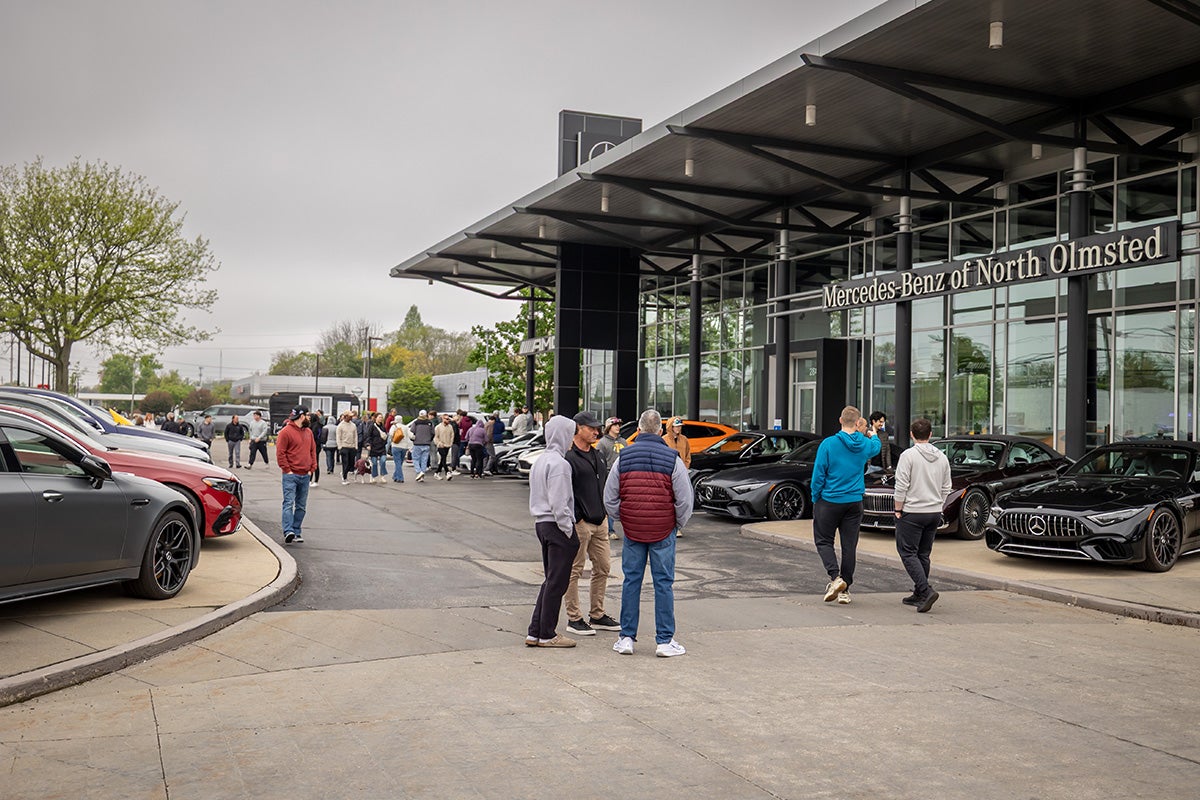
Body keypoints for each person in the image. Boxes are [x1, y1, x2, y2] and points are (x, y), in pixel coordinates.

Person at [603, 408, 693, 658]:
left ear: (639, 429)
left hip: (633, 530)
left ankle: (626, 638)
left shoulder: (624, 456)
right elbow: (685, 499)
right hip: (663, 529)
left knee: (631, 581)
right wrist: (677, 523)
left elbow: (609, 496)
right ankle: (664, 641)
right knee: (663, 583)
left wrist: (623, 517)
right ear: (661, 430)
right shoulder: (672, 458)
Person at [810, 405, 881, 605]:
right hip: (854, 501)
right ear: (858, 423)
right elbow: (876, 446)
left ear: (840, 421)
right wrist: (872, 433)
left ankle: (836, 578)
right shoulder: (865, 444)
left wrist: (816, 497)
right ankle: (845, 590)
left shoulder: (828, 444)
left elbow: (818, 475)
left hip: (830, 500)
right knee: (849, 546)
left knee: (823, 541)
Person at [525, 414, 581, 648]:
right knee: (557, 582)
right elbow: (560, 502)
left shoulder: (540, 460)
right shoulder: (560, 464)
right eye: (570, 434)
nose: (571, 439)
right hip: (557, 525)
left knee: (550, 580)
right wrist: (569, 529)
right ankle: (547, 634)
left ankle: (536, 631)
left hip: (542, 523)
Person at [563, 411, 620, 636]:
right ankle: (574, 618)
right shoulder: (569, 457)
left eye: (597, 428)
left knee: (603, 567)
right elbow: (565, 491)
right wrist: (577, 516)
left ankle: (597, 614)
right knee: (575, 570)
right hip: (581, 523)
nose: (596, 431)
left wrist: (605, 511)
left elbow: (604, 484)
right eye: (592, 428)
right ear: (578, 428)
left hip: (600, 520)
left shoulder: (597, 455)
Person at [893, 418, 952, 613]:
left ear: (911, 435)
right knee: (923, 554)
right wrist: (939, 504)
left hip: (913, 511)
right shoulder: (942, 457)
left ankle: (925, 591)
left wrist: (898, 509)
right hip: (933, 512)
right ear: (930, 435)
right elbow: (947, 487)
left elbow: (901, 485)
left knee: (908, 552)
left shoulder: (908, 456)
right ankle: (919, 592)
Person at [277, 406, 316, 544]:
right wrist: (287, 470)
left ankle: (297, 530)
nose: (309, 418)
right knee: (288, 503)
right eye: (308, 415)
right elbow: (280, 453)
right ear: (301, 416)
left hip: (305, 474)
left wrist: (312, 468)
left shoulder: (309, 432)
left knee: (301, 506)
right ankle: (289, 531)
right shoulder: (285, 432)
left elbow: (313, 451)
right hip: (290, 475)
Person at [595, 417, 627, 540]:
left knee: (624, 502)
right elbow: (599, 460)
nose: (618, 427)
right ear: (609, 427)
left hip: (623, 475)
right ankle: (610, 529)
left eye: (619, 425)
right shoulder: (602, 442)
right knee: (610, 501)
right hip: (608, 475)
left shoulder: (623, 442)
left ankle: (628, 527)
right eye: (615, 425)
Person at [663, 417, 691, 537]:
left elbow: (688, 455)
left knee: (681, 499)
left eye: (680, 426)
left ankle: (678, 526)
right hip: (668, 473)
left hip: (681, 473)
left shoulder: (684, 439)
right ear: (670, 427)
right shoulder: (663, 440)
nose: (678, 428)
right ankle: (669, 525)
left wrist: (685, 467)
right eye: (676, 426)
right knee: (669, 499)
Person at [409, 409, 435, 481]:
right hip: (426, 443)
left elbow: (412, 432)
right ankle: (422, 475)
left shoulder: (416, 423)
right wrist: (429, 440)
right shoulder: (430, 423)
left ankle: (419, 472)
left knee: (415, 458)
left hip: (417, 443)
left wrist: (413, 439)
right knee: (424, 460)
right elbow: (433, 433)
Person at [336, 411, 359, 485]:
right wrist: (340, 447)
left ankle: (344, 472)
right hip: (344, 446)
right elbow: (338, 437)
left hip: (352, 447)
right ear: (345, 416)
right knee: (345, 462)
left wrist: (356, 446)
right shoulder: (340, 426)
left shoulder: (353, 425)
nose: (351, 417)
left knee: (350, 463)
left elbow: (355, 436)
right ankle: (344, 478)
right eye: (349, 416)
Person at [365, 411, 388, 484]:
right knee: (374, 463)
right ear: (375, 418)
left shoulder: (383, 427)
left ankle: (382, 476)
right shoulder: (372, 426)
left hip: (382, 447)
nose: (381, 419)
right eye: (379, 417)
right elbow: (368, 436)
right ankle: (373, 476)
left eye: (382, 417)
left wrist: (384, 442)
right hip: (374, 447)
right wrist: (368, 444)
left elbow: (386, 436)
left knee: (383, 461)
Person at [433, 413, 456, 480]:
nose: (448, 420)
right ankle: (447, 472)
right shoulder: (438, 427)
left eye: (448, 419)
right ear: (442, 419)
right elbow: (435, 437)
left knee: (443, 459)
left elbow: (452, 435)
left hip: (448, 444)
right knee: (443, 457)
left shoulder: (450, 427)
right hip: (441, 445)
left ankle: (437, 472)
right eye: (446, 419)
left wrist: (451, 443)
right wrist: (439, 443)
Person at [388, 414, 409, 482]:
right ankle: (395, 476)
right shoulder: (405, 427)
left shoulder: (394, 427)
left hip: (396, 446)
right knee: (400, 462)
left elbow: (390, 435)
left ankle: (400, 478)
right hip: (404, 447)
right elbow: (410, 436)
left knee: (397, 462)